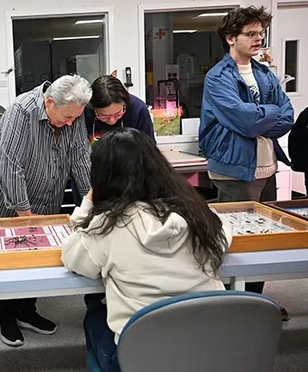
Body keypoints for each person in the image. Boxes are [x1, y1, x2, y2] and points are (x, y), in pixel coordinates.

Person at [61, 128, 233, 372]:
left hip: (141, 356)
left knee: (95, 315)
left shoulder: (107, 225)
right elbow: (224, 234)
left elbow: (72, 257)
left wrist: (89, 201)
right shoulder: (198, 214)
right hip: (206, 349)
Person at [0, 74, 92, 347]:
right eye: (66, 117)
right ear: (49, 102)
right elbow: (9, 164)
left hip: (45, 193)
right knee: (11, 256)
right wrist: (24, 213)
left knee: (37, 255)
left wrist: (91, 201)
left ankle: (27, 311)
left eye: (75, 118)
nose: (71, 123)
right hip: (2, 192)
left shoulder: (72, 113)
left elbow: (80, 157)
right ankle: (6, 315)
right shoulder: (21, 110)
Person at [198, 6, 294, 299]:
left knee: (266, 240)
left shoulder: (264, 74)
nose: (258, 39)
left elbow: (288, 116)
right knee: (238, 242)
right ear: (230, 38)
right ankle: (233, 303)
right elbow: (245, 119)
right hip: (233, 168)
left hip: (268, 167)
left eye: (261, 34)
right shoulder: (218, 78)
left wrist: (260, 117)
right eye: (250, 34)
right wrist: (266, 115)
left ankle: (257, 300)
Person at [70, 74, 155, 206]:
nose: (111, 120)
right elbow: (77, 157)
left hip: (130, 182)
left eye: (118, 114)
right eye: (104, 116)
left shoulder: (138, 109)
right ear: (93, 108)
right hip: (89, 182)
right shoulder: (82, 113)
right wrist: (89, 197)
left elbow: (149, 153)